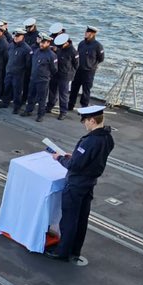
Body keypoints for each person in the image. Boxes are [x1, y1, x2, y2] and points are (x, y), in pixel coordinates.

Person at [47, 105, 115, 262]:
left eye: (85, 121)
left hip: (76, 183)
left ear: (92, 120)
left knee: (69, 219)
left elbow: (74, 166)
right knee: (82, 218)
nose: (84, 124)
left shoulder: (89, 141)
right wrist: (76, 157)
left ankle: (62, 252)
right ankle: (75, 250)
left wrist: (60, 158)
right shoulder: (107, 138)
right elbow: (92, 159)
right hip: (90, 183)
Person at [70, 26, 105, 111]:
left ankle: (84, 107)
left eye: (88, 32)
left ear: (93, 34)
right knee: (74, 88)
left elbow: (101, 58)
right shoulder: (82, 43)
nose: (85, 33)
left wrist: (92, 65)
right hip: (78, 70)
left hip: (89, 72)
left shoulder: (98, 46)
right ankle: (70, 105)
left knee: (86, 90)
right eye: (86, 32)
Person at [49, 33, 78, 120]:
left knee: (63, 94)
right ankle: (50, 106)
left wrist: (69, 73)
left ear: (66, 43)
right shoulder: (59, 48)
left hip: (65, 76)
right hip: (56, 73)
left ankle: (63, 111)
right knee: (52, 92)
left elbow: (76, 65)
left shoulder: (73, 52)